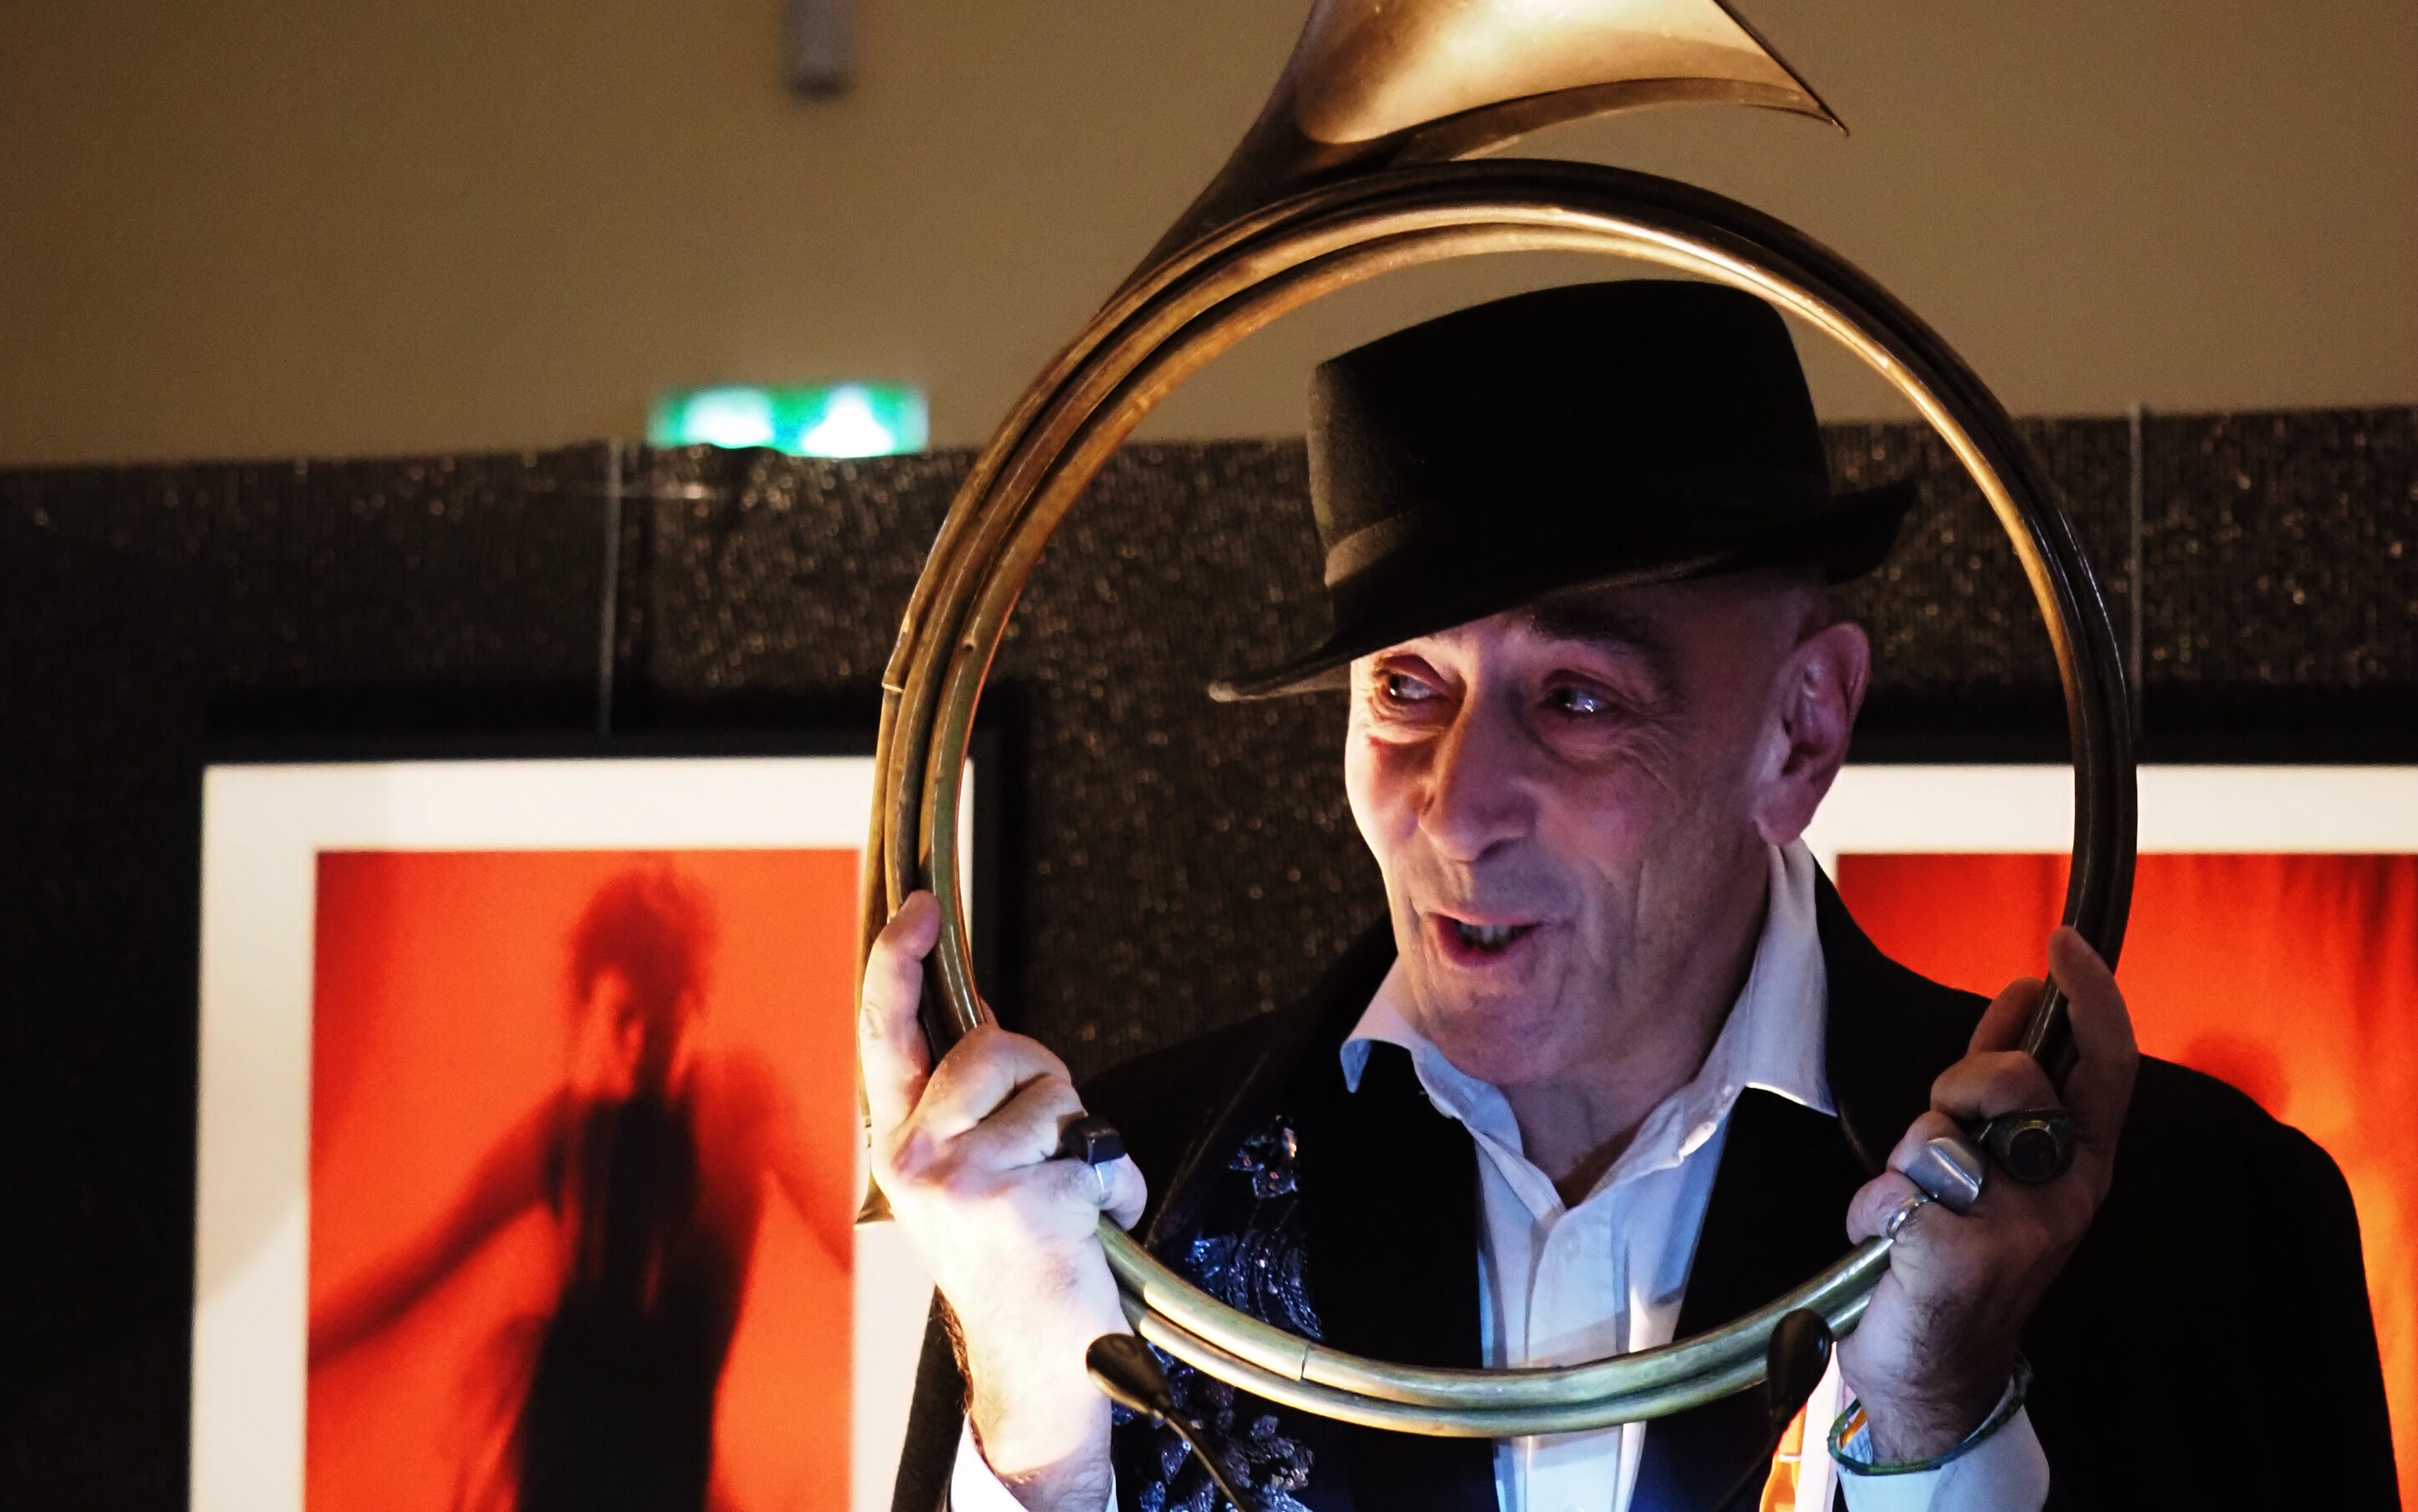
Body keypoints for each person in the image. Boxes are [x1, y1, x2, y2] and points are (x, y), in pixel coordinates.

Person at [860, 283, 2398, 1512]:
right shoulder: (1112, 1216)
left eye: (1578, 698)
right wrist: (1035, 1431)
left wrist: (1939, 1420)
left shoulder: (2198, 1228)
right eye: (1406, 688)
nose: (1455, 805)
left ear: (1800, 731)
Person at [309, 866, 853, 1512]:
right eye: (622, 1015)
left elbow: (837, 1224)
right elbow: (422, 1267)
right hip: (570, 1467)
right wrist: (297, 1348)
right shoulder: (565, 1134)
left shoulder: (738, 1106)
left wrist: (930, 1277)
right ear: (591, 1006)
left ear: (693, 1004)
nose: (640, 1042)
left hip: (665, 1468)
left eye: (661, 1014)